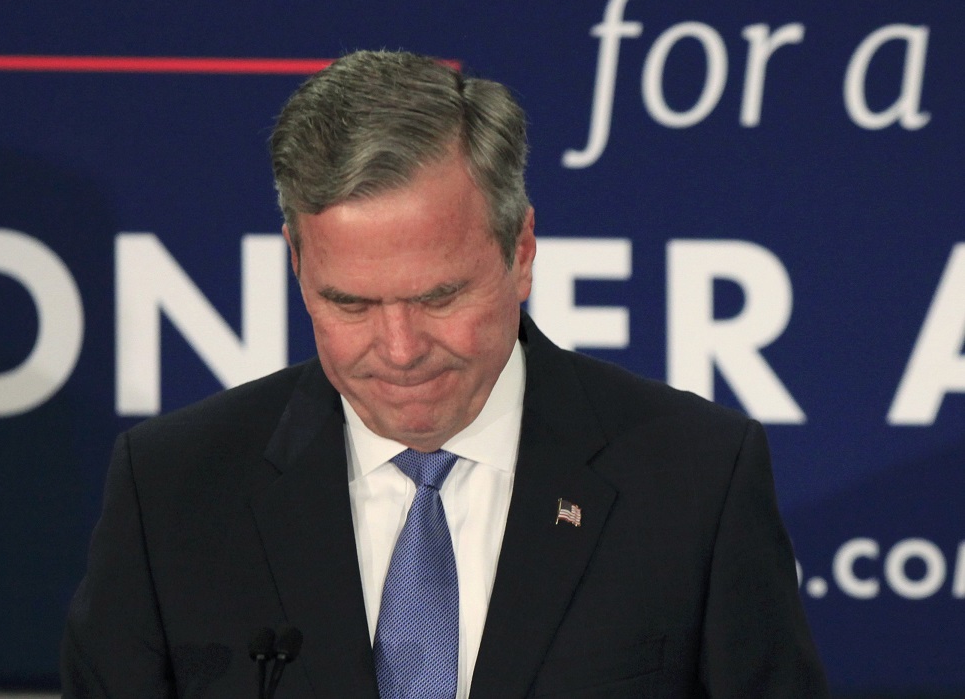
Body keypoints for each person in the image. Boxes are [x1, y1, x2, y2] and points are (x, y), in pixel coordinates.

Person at [62, 49, 828, 698]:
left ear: (520, 252)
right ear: (299, 266)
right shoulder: (172, 491)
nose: (398, 349)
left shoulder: (695, 480)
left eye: (438, 295)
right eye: (351, 302)